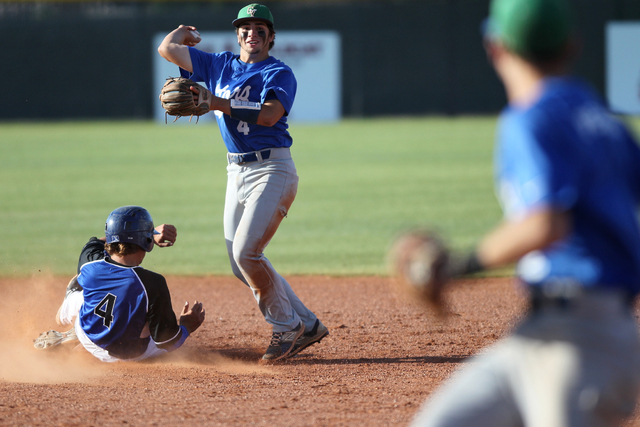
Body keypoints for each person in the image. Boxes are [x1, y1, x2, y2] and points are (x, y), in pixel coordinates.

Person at [406, 0, 640, 425]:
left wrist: (458, 265)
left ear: (495, 47)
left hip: (581, 343)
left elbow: (544, 223)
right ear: (572, 45)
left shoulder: (529, 119)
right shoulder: (602, 118)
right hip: (540, 336)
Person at [157, 3, 328, 362]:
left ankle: (286, 328)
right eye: (245, 27)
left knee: (246, 253)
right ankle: (307, 325)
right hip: (236, 171)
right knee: (241, 263)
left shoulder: (279, 73)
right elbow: (167, 49)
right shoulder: (219, 64)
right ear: (238, 34)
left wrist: (215, 101)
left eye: (259, 27)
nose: (252, 32)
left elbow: (269, 115)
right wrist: (182, 32)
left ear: (270, 35)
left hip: (273, 170)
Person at [34, 205, 205, 363]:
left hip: (87, 335)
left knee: (79, 286)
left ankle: (69, 321)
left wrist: (148, 234)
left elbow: (97, 243)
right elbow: (168, 342)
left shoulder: (89, 260)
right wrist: (186, 326)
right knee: (153, 323)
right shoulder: (153, 283)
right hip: (129, 356)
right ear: (145, 241)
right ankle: (84, 347)